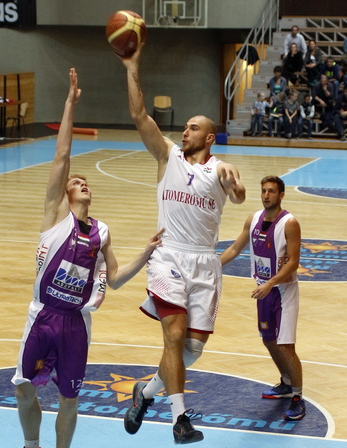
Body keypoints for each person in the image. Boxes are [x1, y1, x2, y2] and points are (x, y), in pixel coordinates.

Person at [11, 68, 163, 448]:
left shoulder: (102, 231)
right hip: (43, 315)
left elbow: (115, 279)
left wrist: (146, 252)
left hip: (77, 322)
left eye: (86, 182)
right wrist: (69, 103)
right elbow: (62, 155)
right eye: (76, 182)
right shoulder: (54, 217)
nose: (83, 184)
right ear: (64, 193)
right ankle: (31, 444)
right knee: (24, 389)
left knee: (70, 399)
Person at [120, 44, 246, 444]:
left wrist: (234, 184)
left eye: (193, 128)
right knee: (173, 336)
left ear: (209, 136)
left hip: (205, 262)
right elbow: (139, 115)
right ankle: (179, 420)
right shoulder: (167, 156)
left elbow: (239, 195)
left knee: (191, 350)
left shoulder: (221, 168)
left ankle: (145, 393)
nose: (184, 131)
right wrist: (132, 65)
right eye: (185, 127)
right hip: (168, 255)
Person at [220, 176, 305, 421]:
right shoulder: (253, 219)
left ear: (281, 195)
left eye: (271, 191)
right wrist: (212, 265)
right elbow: (234, 248)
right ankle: (286, 383)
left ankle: (298, 397)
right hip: (263, 289)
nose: (266, 195)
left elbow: (294, 263)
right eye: (264, 191)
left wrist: (270, 283)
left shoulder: (290, 223)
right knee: (269, 340)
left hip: (283, 291)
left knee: (285, 345)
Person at [313, 75, 345, 141]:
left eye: (324, 81)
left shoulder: (330, 85)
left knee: (330, 101)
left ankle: (328, 112)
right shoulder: (317, 85)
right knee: (312, 101)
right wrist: (320, 101)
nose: (323, 82)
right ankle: (315, 113)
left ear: (327, 81)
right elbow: (314, 95)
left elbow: (330, 96)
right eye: (322, 81)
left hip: (327, 99)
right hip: (319, 99)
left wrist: (325, 90)